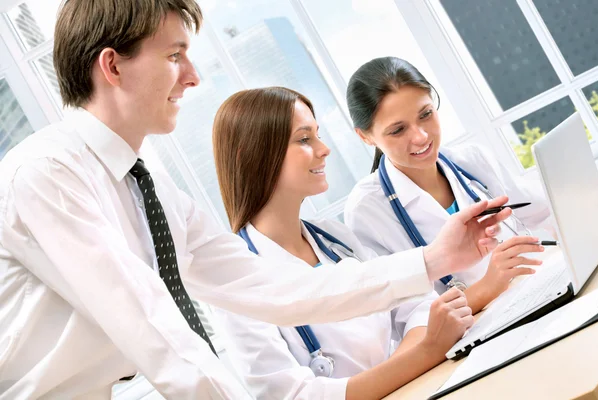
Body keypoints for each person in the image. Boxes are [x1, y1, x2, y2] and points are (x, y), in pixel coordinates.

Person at [0, 2, 508, 398]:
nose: (193, 76)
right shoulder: (48, 175)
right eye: (174, 55)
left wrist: (433, 260)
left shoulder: (146, 181)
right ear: (112, 66)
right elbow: (157, 334)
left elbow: (276, 288)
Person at [212, 86, 475, 400]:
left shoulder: (336, 238)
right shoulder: (236, 283)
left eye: (318, 135)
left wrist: (402, 371)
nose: (324, 149)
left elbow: (418, 308)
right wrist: (425, 353)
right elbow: (296, 397)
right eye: (304, 138)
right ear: (252, 154)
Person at [344, 57, 552, 313]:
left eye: (426, 114)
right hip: (479, 335)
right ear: (365, 136)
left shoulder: (472, 159)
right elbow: (414, 321)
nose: (421, 136)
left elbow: (545, 209)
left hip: (537, 294)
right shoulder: (367, 210)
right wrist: (489, 285)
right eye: (398, 130)